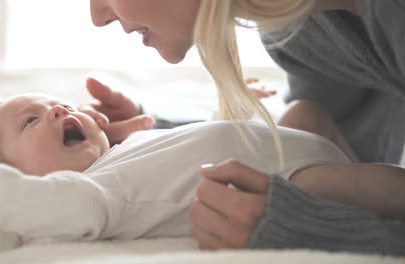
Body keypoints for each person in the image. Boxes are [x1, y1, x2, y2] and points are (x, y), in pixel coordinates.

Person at [85, 0, 405, 254]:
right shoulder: (297, 28)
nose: (96, 17)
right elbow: (326, 156)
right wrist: (154, 133)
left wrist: (320, 226)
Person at [0, 90, 387, 249]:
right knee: (369, 183)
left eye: (58, 103)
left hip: (277, 142)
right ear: (28, 180)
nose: (56, 109)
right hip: (284, 181)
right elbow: (79, 212)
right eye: (31, 121)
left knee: (308, 109)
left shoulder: (121, 150)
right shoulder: (91, 192)